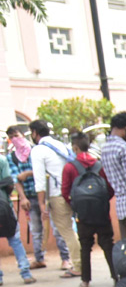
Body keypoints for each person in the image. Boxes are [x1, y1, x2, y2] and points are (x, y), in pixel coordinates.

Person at [8, 124, 67, 269]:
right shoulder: (13, 157)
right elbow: (16, 179)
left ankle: (66, 258)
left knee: (57, 227)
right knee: (36, 231)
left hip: (47, 195)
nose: (14, 139)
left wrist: (28, 174)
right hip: (30, 197)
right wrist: (22, 198)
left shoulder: (36, 151)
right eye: (11, 138)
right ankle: (39, 258)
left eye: (16, 135)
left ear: (24, 135)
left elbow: (45, 171)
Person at [60, 131, 114, 287]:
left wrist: (77, 206)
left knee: (85, 245)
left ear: (75, 147)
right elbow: (109, 188)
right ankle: (116, 277)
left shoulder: (70, 167)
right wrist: (102, 203)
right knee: (107, 244)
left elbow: (65, 191)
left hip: (83, 214)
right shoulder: (99, 165)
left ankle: (85, 279)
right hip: (102, 213)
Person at [29, 119, 80, 277]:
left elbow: (40, 181)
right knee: (72, 229)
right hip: (71, 191)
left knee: (67, 231)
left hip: (57, 194)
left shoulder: (38, 150)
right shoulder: (60, 145)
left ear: (35, 133)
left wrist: (41, 204)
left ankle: (78, 265)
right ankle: (80, 263)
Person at [0, 154, 35, 285]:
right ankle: (25, 273)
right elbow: (9, 184)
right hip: (4, 206)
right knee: (14, 239)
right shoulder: (2, 160)